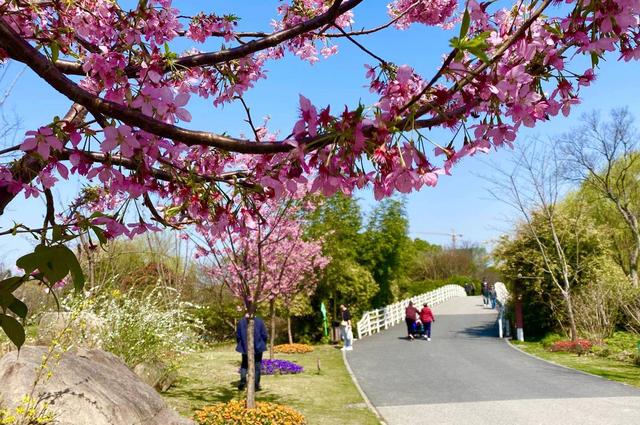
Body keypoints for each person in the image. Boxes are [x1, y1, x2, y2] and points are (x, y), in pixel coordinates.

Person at [236, 313, 268, 391]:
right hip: (258, 346)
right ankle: (256, 385)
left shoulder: (241, 321)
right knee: (257, 366)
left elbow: (238, 336)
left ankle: (243, 381)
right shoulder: (259, 321)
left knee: (244, 364)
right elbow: (264, 335)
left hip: (245, 347)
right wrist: (262, 343)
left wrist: (242, 344)